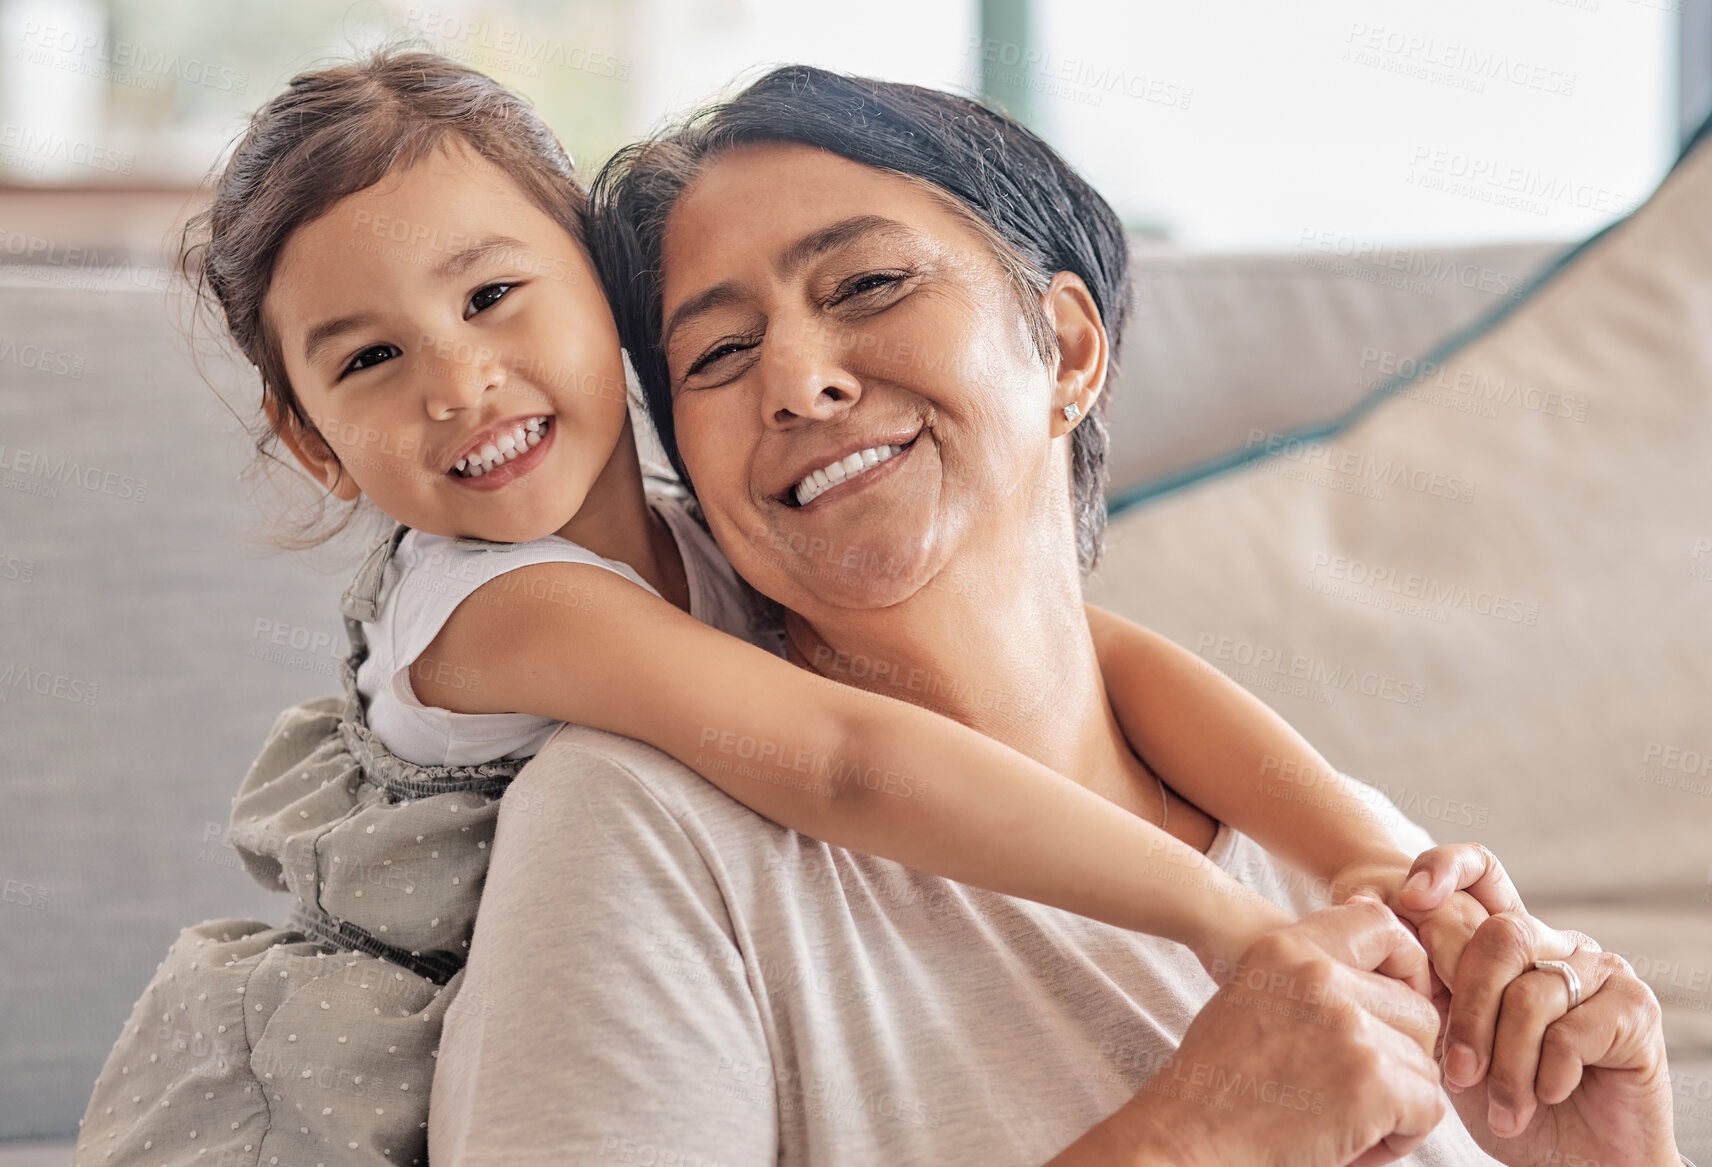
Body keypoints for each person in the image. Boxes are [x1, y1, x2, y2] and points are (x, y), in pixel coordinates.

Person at [427, 66, 1688, 1165]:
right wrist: (1193, 1137)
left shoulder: (1343, 851)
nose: (799, 382)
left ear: (1068, 347)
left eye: (864, 284)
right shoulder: (641, 831)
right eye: (714, 357)